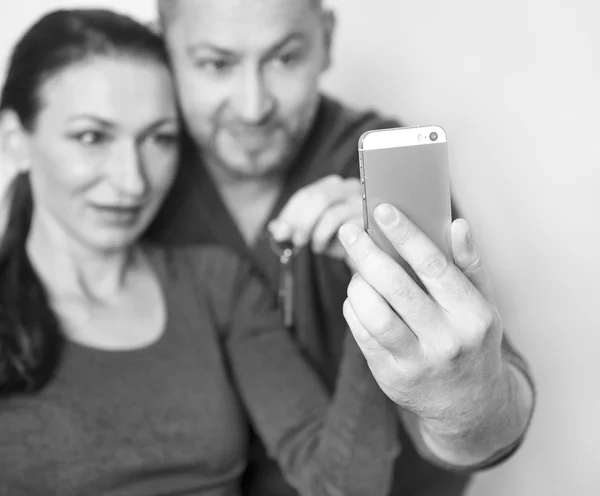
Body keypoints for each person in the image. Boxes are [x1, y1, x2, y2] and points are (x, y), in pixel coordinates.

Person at [0, 10, 402, 495]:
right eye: (92, 137)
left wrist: (381, 282)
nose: (133, 181)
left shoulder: (217, 286)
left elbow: (342, 486)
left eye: (159, 139)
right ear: (15, 141)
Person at [145, 0, 536, 495]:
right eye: (215, 64)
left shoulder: (388, 170)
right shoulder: (130, 174)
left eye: (285, 58)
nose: (253, 106)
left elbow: (494, 401)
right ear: (164, 47)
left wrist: (465, 405)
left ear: (326, 39)